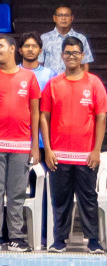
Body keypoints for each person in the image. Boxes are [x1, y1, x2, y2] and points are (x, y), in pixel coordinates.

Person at [0, 35, 42, 252]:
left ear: (13, 49)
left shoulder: (29, 77)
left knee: (17, 192)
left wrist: (33, 145)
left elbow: (35, 112)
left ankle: (15, 236)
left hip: (21, 145)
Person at [40, 36, 106, 253]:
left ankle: (93, 241)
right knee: (60, 200)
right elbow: (44, 117)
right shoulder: (53, 84)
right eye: (67, 53)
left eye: (75, 53)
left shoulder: (94, 83)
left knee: (88, 199)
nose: (71, 56)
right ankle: (59, 240)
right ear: (61, 56)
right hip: (58, 155)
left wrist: (96, 150)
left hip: (86, 155)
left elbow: (101, 118)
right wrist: (48, 149)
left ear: (82, 55)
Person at [41, 5, 95, 73]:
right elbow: (39, 63)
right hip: (50, 82)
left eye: (66, 15)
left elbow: (85, 64)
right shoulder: (44, 38)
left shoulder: (81, 38)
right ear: (54, 18)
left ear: (72, 18)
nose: (63, 18)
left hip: (73, 81)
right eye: (60, 15)